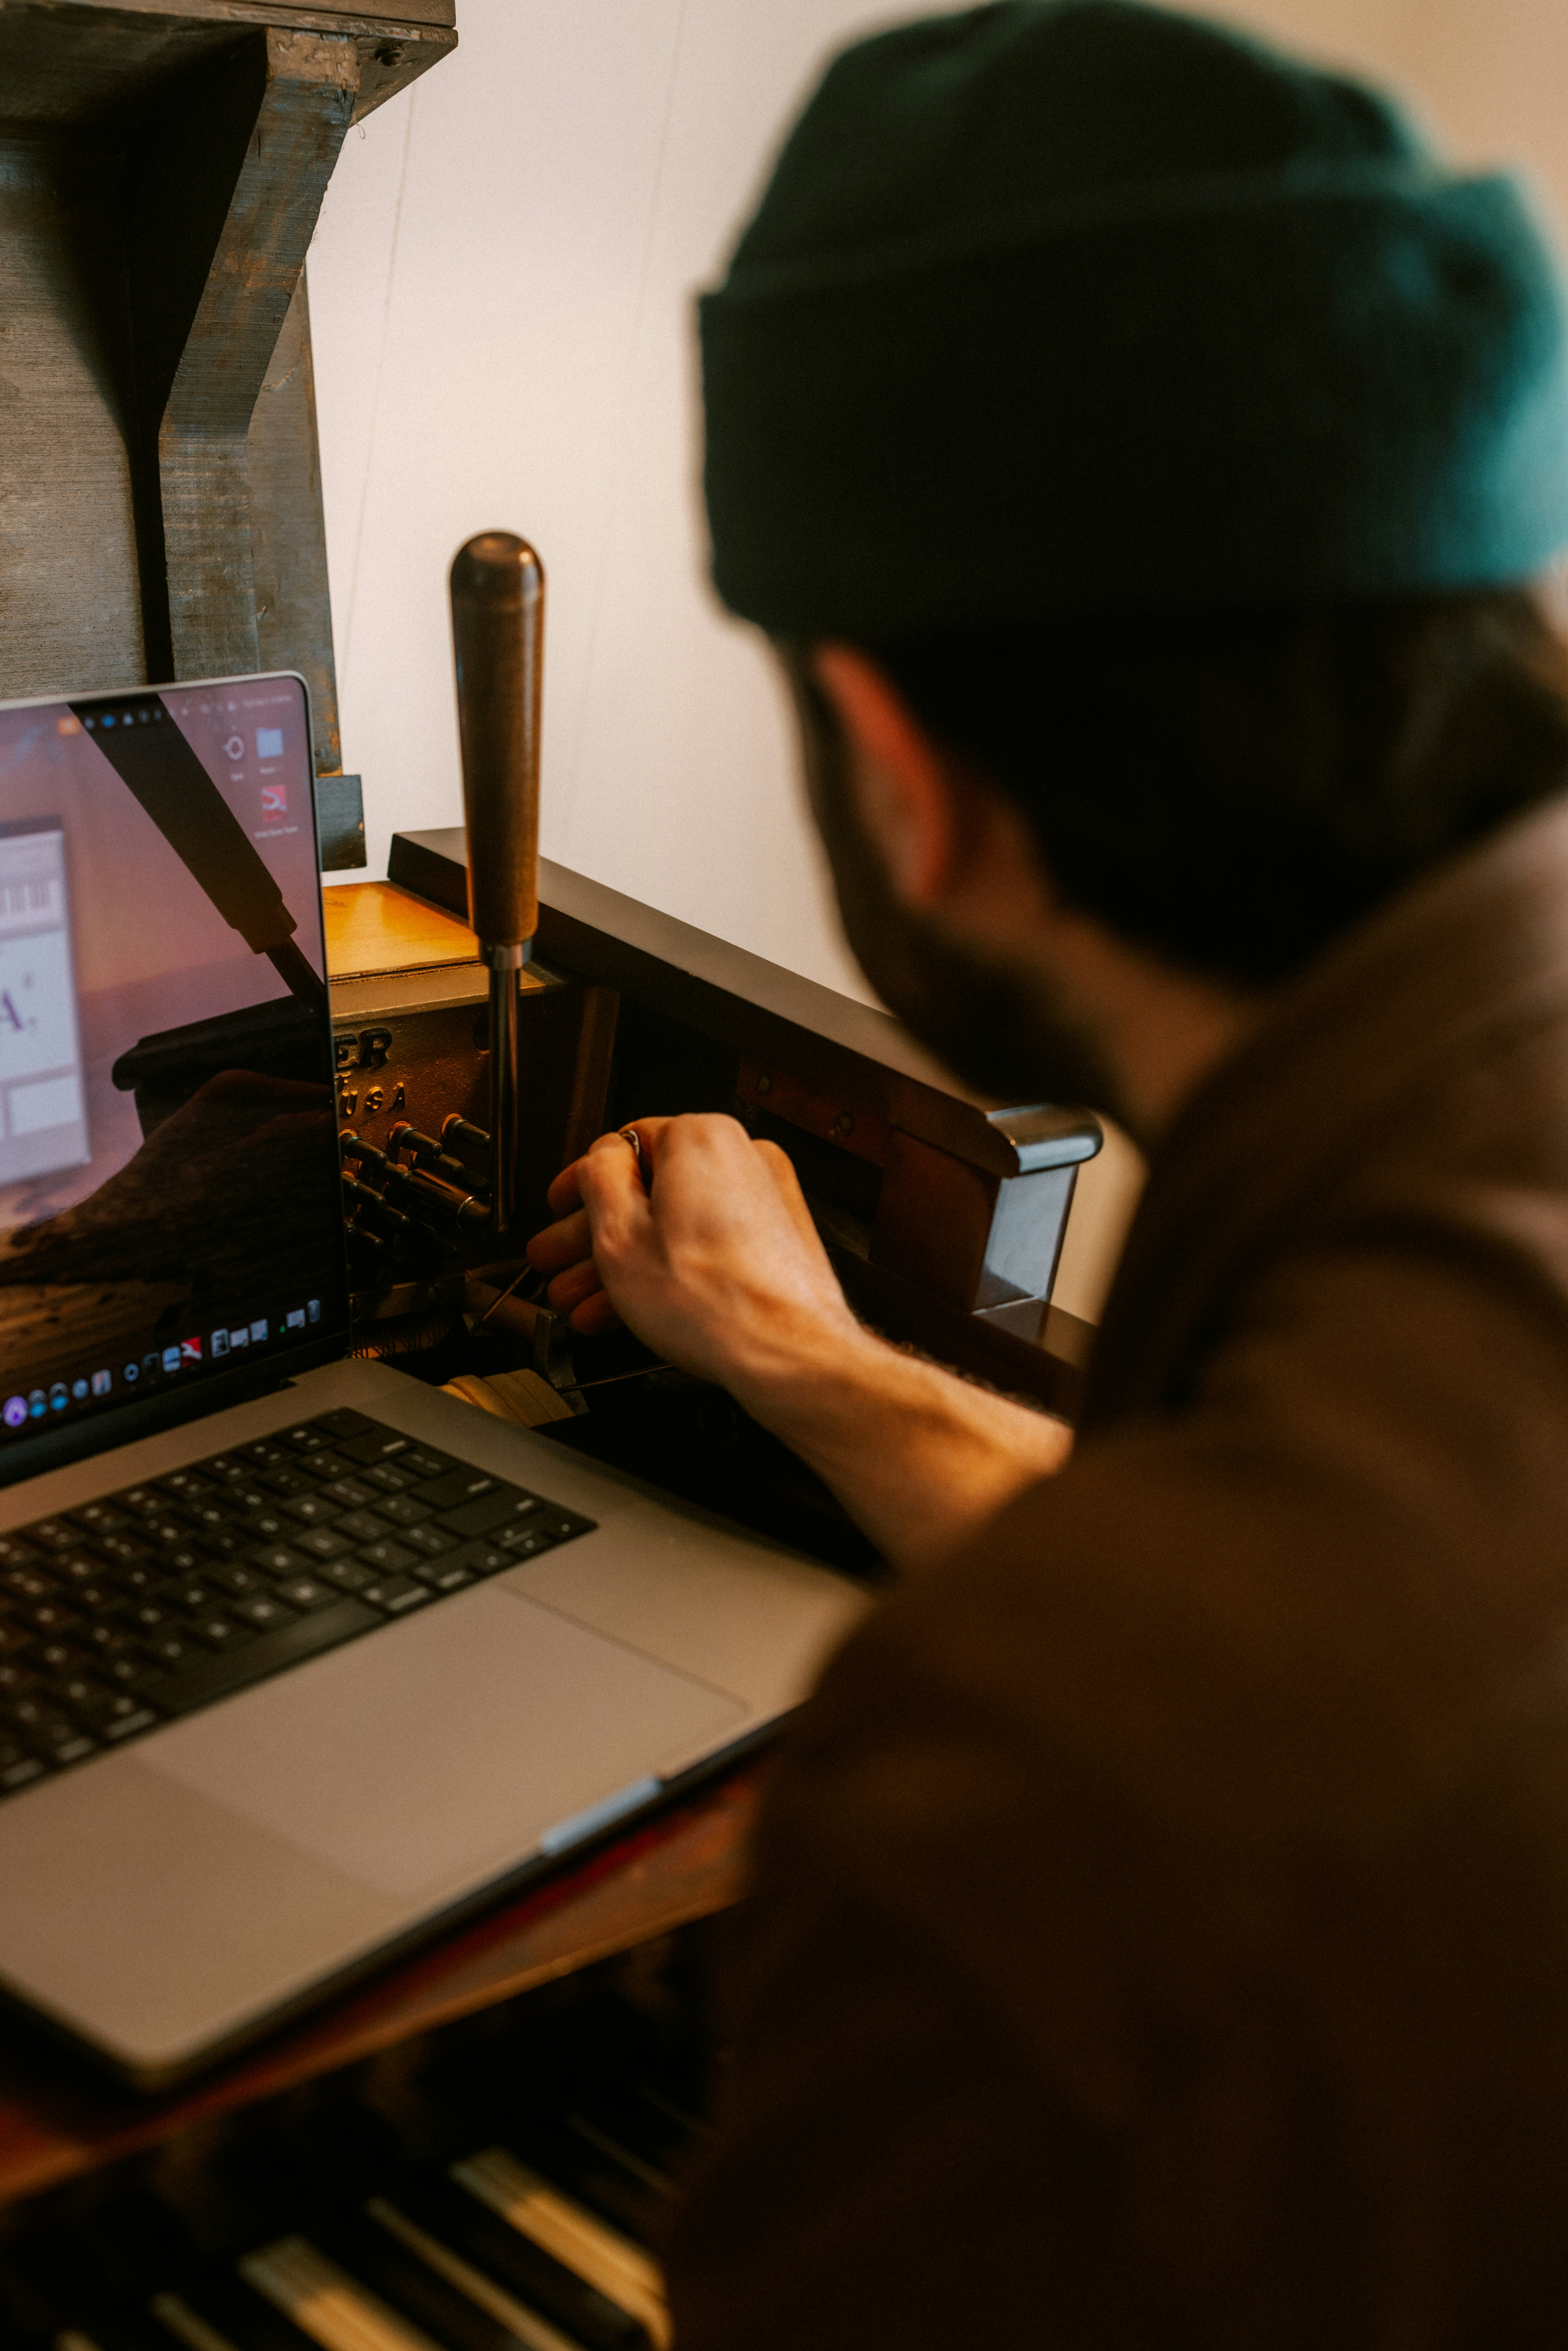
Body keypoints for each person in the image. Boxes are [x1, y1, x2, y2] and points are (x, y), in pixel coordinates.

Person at [527, 3, 1568, 2338]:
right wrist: (812, 1362)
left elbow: (1217, 1689)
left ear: (904, 779)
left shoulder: (1034, 1803)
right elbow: (1317, 1582)